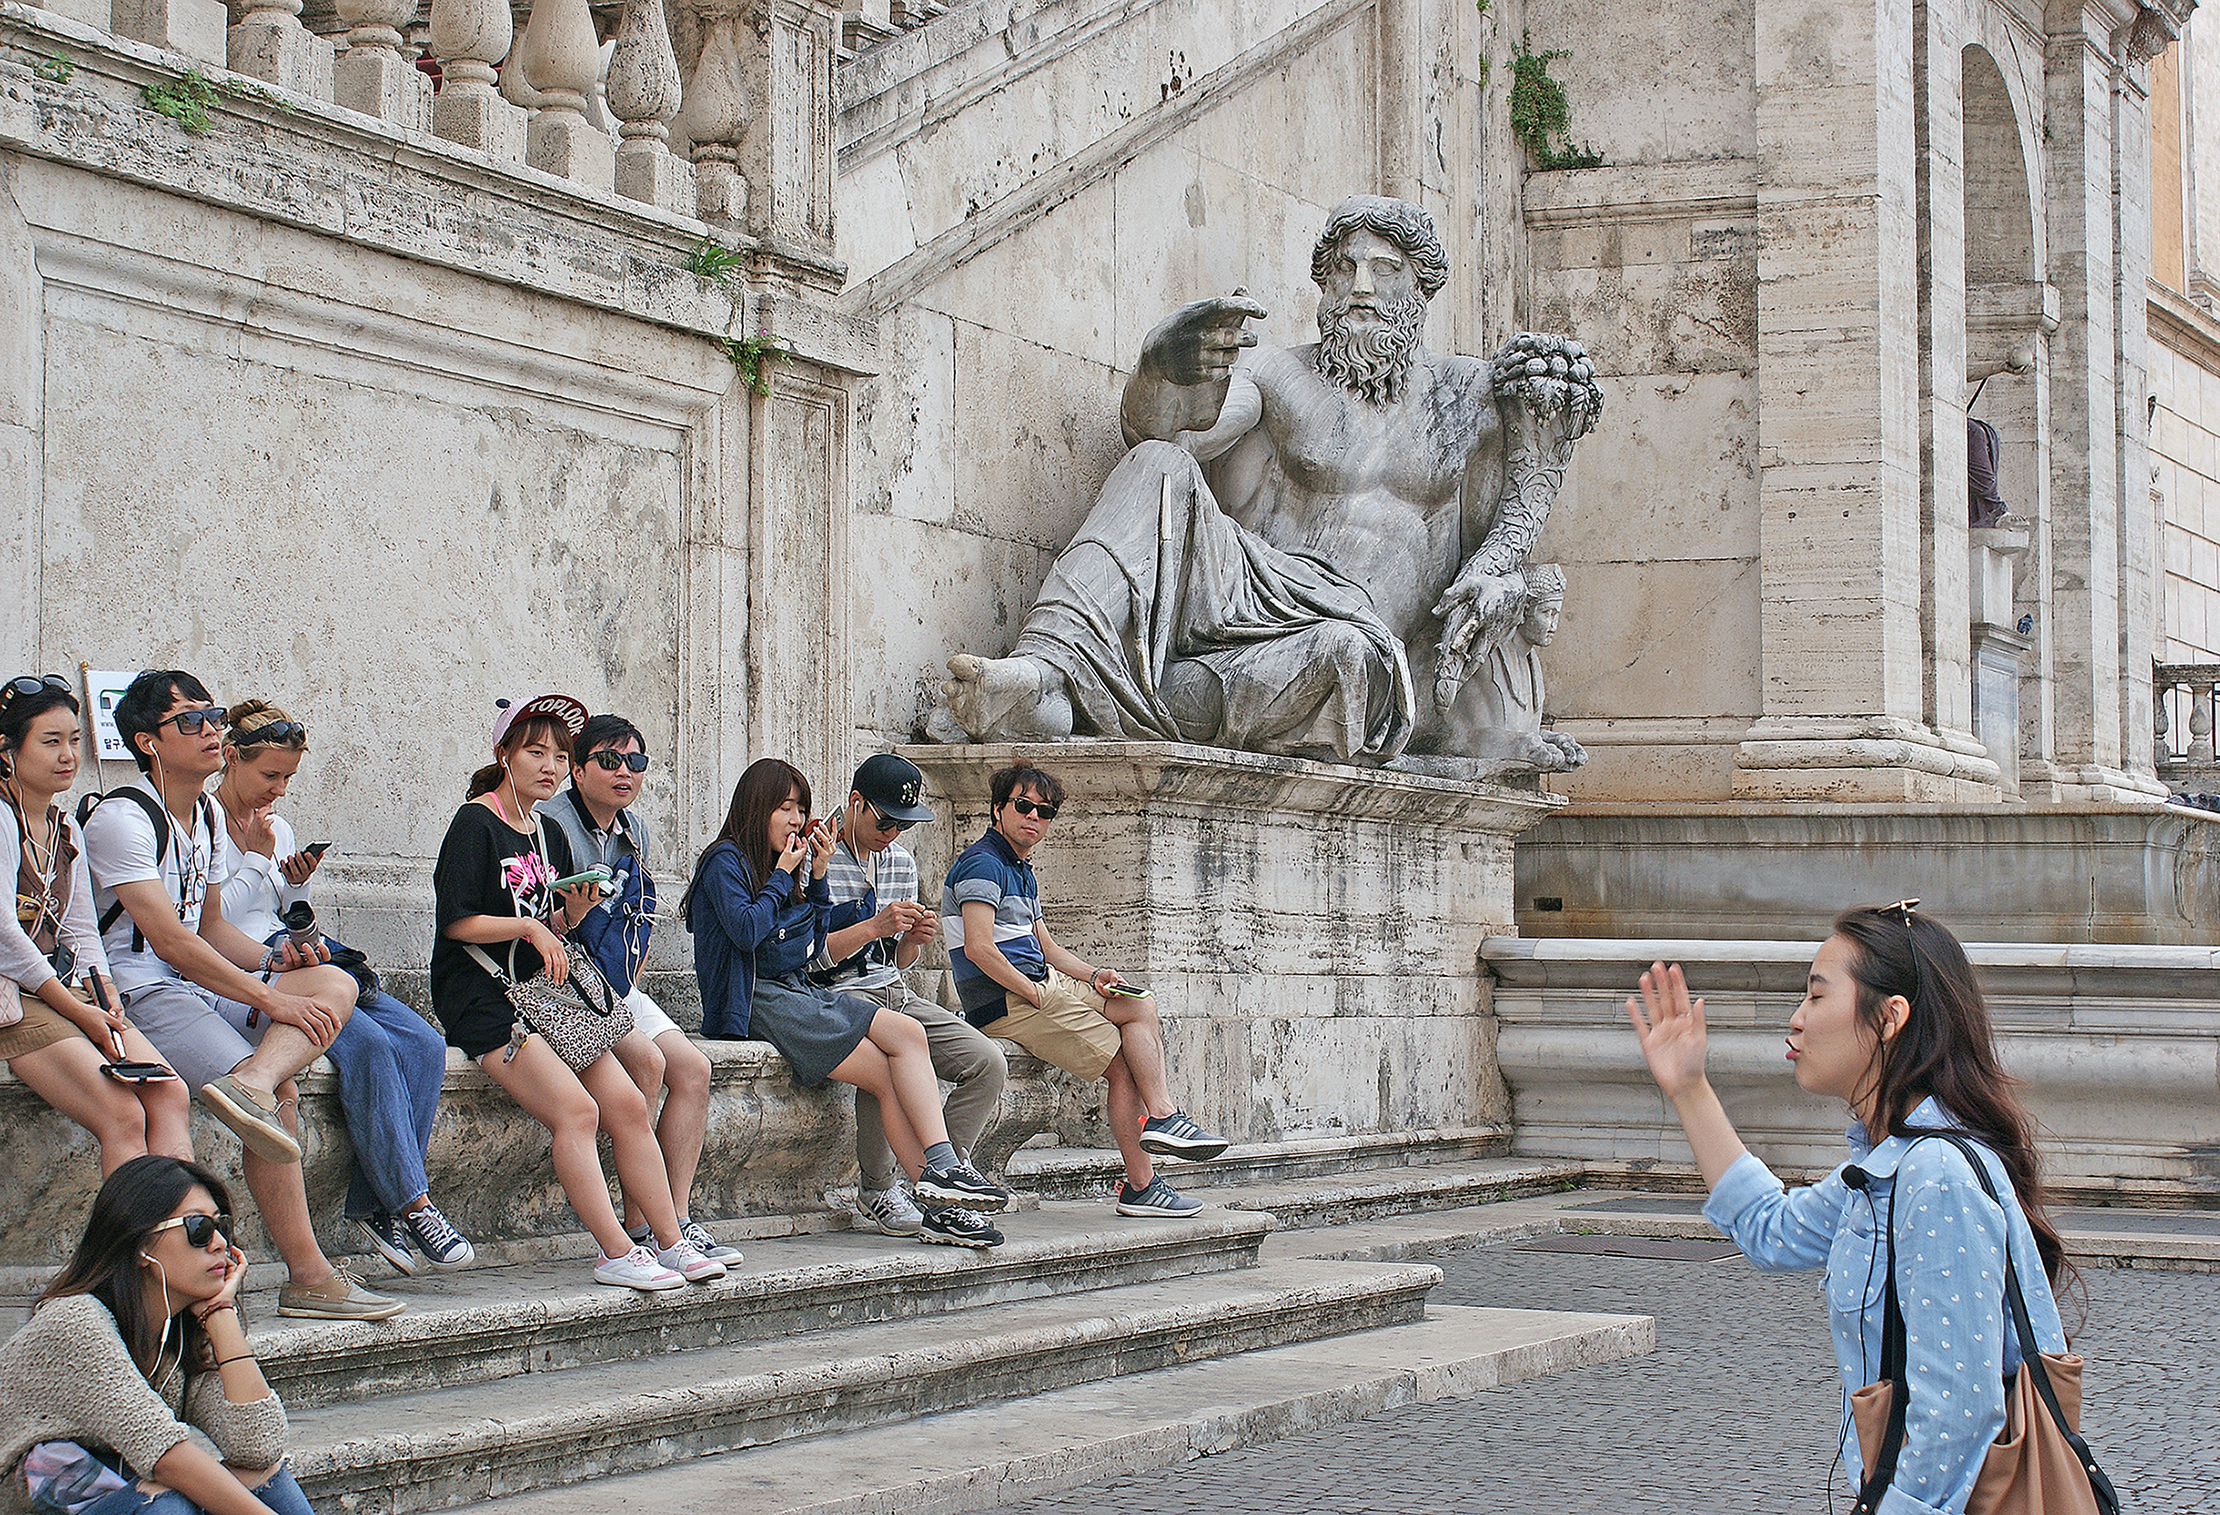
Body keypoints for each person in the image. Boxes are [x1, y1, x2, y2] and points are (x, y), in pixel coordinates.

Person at [935, 194, 1602, 767]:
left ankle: (1085, 695)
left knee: (1342, 656)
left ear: (1422, 285)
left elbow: (1527, 490)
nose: (1361, 287)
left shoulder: (1467, 396)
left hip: (1356, 638)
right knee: (1158, 465)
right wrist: (1162, 374)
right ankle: (1042, 672)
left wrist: (1498, 571)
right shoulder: (1280, 377)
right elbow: (1166, 434)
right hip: (1251, 594)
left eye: (1384, 269)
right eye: (1343, 270)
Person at [1623, 902, 2074, 1515]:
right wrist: (1689, 1087)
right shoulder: (1886, 1169)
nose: (1796, 1019)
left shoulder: (1933, 1176)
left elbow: (1958, 1415)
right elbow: (1770, 1230)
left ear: (1889, 1018)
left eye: (1815, 996)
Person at [83, 671, 398, 1322]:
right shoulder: (122, 816)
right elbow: (168, 940)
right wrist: (273, 999)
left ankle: (253, 1078)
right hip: (139, 987)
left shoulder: (201, 813)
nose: (210, 731)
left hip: (191, 979)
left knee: (333, 979)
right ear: (147, 741)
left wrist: (277, 960)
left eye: (213, 715)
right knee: (277, 1098)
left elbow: (213, 929)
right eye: (190, 721)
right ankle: (305, 1273)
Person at [430, 694, 719, 1292]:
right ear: (503, 754)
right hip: (485, 997)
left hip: (549, 995)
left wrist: (569, 915)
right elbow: (457, 923)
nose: (550, 766)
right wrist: (533, 927)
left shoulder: (544, 832)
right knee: (579, 1110)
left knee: (630, 1104)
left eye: (559, 756)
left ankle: (668, 1241)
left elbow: (551, 923)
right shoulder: (474, 824)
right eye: (537, 752)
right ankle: (614, 1251)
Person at [685, 757, 1012, 1248]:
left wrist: (815, 879)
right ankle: (939, 1176)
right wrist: (784, 877)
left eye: (801, 809)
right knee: (901, 1041)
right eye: (785, 808)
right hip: (749, 1001)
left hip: (789, 991)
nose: (796, 820)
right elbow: (749, 933)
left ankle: (938, 1193)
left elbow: (803, 944)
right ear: (756, 808)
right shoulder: (724, 861)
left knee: (897, 1054)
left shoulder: (783, 866)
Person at [212, 699, 474, 1276]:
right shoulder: (203, 821)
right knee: (370, 1047)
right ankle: (411, 1202)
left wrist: (290, 883)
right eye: (269, 776)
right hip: (241, 972)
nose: (279, 791)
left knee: (424, 1043)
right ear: (230, 759)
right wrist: (259, 863)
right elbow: (207, 923)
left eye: (288, 778)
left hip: (296, 953)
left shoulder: (276, 827)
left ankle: (375, 1206)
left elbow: (272, 905)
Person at [940, 761, 1228, 1219]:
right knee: (1123, 1067)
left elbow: (1046, 945)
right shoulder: (983, 864)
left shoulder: (1020, 869)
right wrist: (1032, 993)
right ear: (998, 809)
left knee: (1138, 1005)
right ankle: (1142, 1185)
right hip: (1007, 999)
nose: (1034, 817)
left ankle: (1162, 1116)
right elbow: (979, 949)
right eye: (1023, 806)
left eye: (1045, 812)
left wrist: (1093, 976)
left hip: (1041, 983)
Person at [0, 1155, 314, 1515]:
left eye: (221, 1227)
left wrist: (220, 1313)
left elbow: (259, 1448)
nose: (218, 1244)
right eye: (198, 1228)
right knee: (166, 1508)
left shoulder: (177, 1337)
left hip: (117, 1495)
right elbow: (167, 1457)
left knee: (266, 1479)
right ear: (142, 1245)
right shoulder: (75, 1322)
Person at [536, 713, 738, 1267]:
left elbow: (636, 916)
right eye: (608, 761)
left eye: (636, 762)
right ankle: (641, 1224)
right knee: (646, 1063)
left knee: (694, 1070)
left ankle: (677, 1217)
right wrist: (571, 918)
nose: (624, 772)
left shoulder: (637, 830)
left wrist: (629, 977)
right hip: (564, 984)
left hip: (615, 983)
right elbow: (539, 925)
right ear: (577, 771)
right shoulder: (550, 825)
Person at [808, 754, 1008, 1237]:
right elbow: (806, 958)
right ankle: (878, 1189)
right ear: (856, 803)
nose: (892, 833)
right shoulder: (818, 857)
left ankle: (946, 1178)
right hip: (837, 995)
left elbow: (894, 963)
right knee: (891, 1060)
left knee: (988, 1062)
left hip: (892, 990)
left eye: (903, 825)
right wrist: (874, 925)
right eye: (886, 821)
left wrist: (912, 942)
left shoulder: (899, 862)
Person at [0, 674, 193, 1171]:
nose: (68, 755)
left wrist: (105, 999)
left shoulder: (65, 826)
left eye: (74, 741)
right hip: (16, 998)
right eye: (50, 742)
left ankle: (180, 1236)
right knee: (121, 1113)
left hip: (66, 991)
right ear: (6, 751)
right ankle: (131, 1246)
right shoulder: (2, 818)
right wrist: (80, 1011)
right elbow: (3, 936)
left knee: (169, 1093)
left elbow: (82, 929)